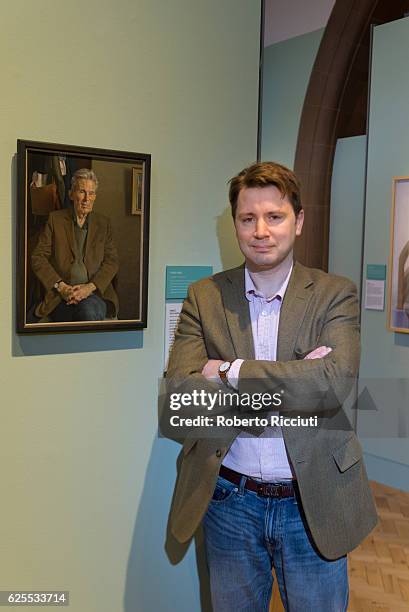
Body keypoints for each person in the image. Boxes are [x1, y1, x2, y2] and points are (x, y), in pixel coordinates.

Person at [165, 162, 378, 611]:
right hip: (229, 501)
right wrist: (298, 381)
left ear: (298, 222)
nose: (261, 230)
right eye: (248, 218)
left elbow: (334, 386)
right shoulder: (204, 297)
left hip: (313, 499)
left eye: (274, 216)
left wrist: (227, 373)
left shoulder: (335, 294)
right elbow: (181, 402)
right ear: (236, 224)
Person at [31, 168, 119, 322]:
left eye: (91, 193)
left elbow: (112, 262)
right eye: (82, 192)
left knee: (87, 311)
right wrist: (61, 287)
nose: (86, 199)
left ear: (95, 197)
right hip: (61, 296)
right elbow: (38, 257)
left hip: (95, 294)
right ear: (71, 194)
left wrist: (89, 288)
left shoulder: (104, 224)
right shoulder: (55, 220)